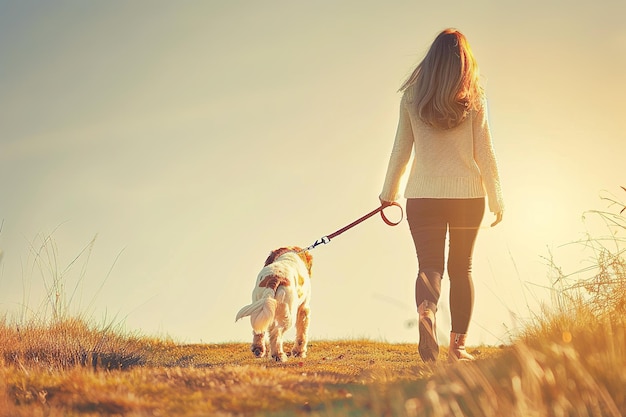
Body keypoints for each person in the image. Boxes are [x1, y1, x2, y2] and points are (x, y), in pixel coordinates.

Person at [379, 28, 504, 363]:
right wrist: (497, 198)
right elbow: (486, 153)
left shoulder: (411, 97)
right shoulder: (475, 96)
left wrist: (388, 193)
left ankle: (426, 312)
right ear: (464, 61)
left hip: (422, 197)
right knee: (461, 267)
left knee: (429, 265)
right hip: (468, 198)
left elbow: (399, 151)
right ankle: (458, 347)